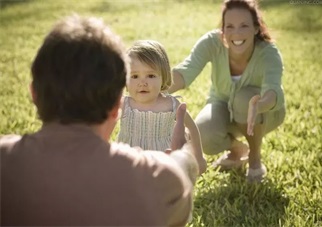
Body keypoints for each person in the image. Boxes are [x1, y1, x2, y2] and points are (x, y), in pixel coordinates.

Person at [0, 15, 199, 226]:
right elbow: (181, 174)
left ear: (34, 95)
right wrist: (185, 156)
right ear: (117, 106)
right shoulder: (159, 180)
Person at [168, 0, 286, 182]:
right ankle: (238, 150)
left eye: (244, 26)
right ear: (223, 29)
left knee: (244, 99)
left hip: (265, 113)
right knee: (201, 133)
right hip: (223, 105)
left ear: (256, 28)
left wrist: (259, 104)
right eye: (229, 26)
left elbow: (273, 90)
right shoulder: (212, 43)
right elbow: (185, 71)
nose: (236, 33)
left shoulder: (269, 53)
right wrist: (154, 89)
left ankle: (255, 159)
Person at [117, 40, 207, 175]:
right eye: (134, 76)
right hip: (130, 162)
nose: (142, 83)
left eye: (151, 75)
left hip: (164, 161)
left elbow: (192, 128)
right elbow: (102, 129)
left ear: (163, 76)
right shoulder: (124, 105)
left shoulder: (171, 105)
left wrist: (199, 158)